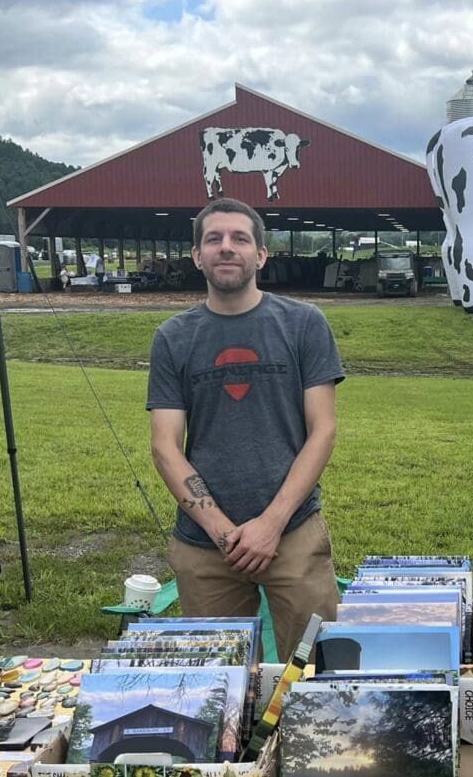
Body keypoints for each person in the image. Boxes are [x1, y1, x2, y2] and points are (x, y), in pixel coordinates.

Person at [148, 197, 345, 661]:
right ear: (197, 256)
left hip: (293, 532)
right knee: (220, 690)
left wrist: (270, 525)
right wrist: (223, 533)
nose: (226, 248)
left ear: (261, 254)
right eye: (213, 239)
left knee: (320, 675)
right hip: (205, 545)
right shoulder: (173, 337)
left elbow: (324, 432)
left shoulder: (303, 324)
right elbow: (164, 447)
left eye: (240, 238)